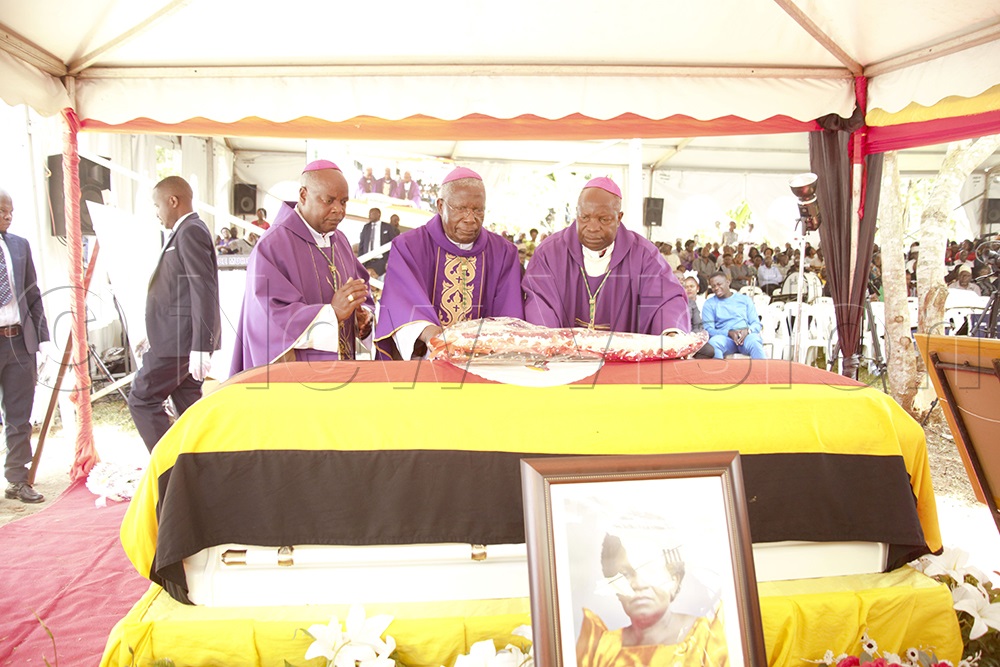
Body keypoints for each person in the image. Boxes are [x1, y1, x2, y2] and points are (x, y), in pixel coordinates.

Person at [231, 160, 374, 374]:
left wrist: (362, 318)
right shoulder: (272, 246)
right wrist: (332, 313)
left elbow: (363, 292)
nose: (339, 210)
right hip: (296, 376)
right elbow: (269, 317)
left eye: (344, 202)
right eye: (329, 200)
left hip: (342, 369)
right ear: (303, 195)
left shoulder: (340, 241)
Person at [374, 166, 523, 360]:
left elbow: (509, 314)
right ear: (440, 206)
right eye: (461, 209)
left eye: (478, 210)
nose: (471, 219)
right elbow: (400, 302)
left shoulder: (503, 252)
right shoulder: (409, 246)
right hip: (426, 361)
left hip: (484, 362)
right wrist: (432, 335)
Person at [522, 177, 689, 334]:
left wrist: (671, 332)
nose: (592, 227)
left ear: (619, 218)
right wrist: (547, 339)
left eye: (603, 219)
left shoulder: (644, 255)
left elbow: (666, 300)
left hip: (625, 360)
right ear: (577, 213)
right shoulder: (549, 253)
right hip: (563, 359)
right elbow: (539, 301)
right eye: (585, 217)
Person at [128, 176, 221, 452]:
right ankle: (203, 467)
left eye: (157, 206)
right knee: (191, 408)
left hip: (180, 344)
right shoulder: (184, 231)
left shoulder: (191, 230)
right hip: (174, 341)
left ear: (173, 200)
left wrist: (201, 347)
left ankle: (169, 466)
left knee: (142, 399)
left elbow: (202, 289)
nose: (157, 213)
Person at [576, 514, 728, 667]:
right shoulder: (601, 648)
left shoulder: (710, 638)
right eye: (626, 574)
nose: (639, 584)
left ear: (674, 580)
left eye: (650, 570)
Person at [0, 189, 54, 503]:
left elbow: (32, 294)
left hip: (19, 342)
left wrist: (43, 339)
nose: (7, 217)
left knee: (19, 416)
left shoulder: (20, 246)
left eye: (10, 212)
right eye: (2, 212)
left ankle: (17, 479)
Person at [702, 272, 765, 359]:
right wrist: (728, 333)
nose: (716, 288)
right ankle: (718, 371)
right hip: (725, 339)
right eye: (713, 286)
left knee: (755, 341)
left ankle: (761, 371)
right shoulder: (709, 304)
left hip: (746, 337)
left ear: (728, 282)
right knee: (713, 344)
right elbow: (708, 330)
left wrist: (748, 331)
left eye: (719, 284)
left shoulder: (745, 299)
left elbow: (756, 323)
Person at [357, 207, 400, 277]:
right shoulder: (366, 227)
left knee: (373, 277)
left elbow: (394, 244)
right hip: (366, 260)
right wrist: (359, 262)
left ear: (378, 214)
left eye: (372, 214)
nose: (369, 216)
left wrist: (391, 260)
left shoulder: (387, 227)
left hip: (381, 260)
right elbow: (361, 245)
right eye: (369, 214)